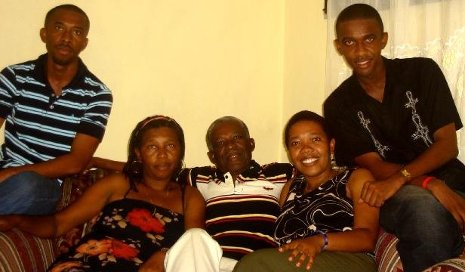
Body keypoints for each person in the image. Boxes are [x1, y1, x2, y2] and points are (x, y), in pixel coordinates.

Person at [323, 3, 465, 272]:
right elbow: (374, 165)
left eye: (369, 39)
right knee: (424, 211)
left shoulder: (422, 72)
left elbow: (448, 145)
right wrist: (427, 183)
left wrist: (432, 182)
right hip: (393, 193)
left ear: (383, 39)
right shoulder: (338, 104)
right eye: (349, 42)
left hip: (453, 179)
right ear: (338, 46)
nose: (360, 50)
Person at [0, 115, 207, 271]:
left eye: (170, 145)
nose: (162, 154)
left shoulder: (189, 197)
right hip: (85, 266)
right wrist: (18, 220)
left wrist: (164, 256)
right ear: (138, 153)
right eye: (152, 146)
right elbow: (58, 224)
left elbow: (193, 245)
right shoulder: (118, 184)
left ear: (181, 150)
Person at [0, 4, 113, 215]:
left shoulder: (97, 95)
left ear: (84, 43)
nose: (67, 38)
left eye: (76, 32)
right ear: (44, 34)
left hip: (44, 186)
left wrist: (14, 173)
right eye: (59, 28)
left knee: (27, 185)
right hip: (4, 169)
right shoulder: (14, 76)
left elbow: (76, 162)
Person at [233, 110, 379, 272]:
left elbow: (367, 237)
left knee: (254, 264)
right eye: (296, 143)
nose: (306, 149)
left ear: (331, 145)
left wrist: (319, 241)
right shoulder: (290, 188)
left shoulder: (355, 178)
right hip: (296, 263)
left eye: (315, 139)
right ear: (289, 153)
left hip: (348, 261)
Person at [179, 116, 294, 272]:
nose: (230, 146)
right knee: (193, 237)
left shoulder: (278, 173)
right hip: (212, 263)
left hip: (257, 264)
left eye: (237, 138)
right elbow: (159, 175)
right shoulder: (200, 178)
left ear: (251, 144)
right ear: (212, 156)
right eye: (220, 143)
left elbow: (319, 172)